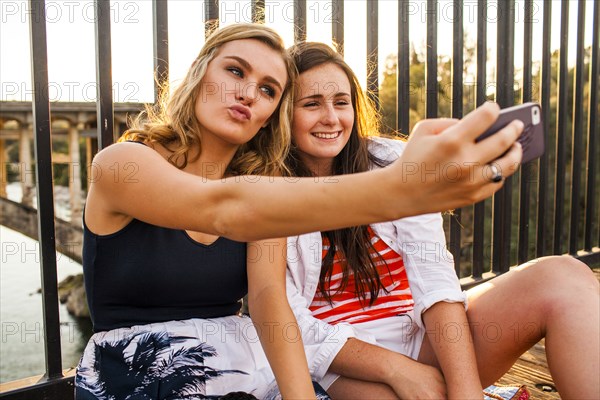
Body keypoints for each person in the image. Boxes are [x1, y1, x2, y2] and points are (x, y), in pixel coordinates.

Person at [75, 21, 523, 398]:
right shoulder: (123, 164)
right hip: (140, 369)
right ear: (198, 73)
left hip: (245, 364)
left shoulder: (265, 184)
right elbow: (220, 209)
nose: (249, 93)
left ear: (272, 113)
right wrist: (403, 190)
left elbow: (270, 303)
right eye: (235, 71)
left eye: (268, 90)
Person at [284, 41, 600, 400]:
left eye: (341, 102)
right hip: (344, 363)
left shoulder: (394, 160)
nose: (331, 118)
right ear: (282, 114)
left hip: (423, 341)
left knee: (566, 277)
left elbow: (433, 278)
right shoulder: (266, 188)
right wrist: (396, 368)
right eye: (311, 103)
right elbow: (289, 321)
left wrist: (466, 391)